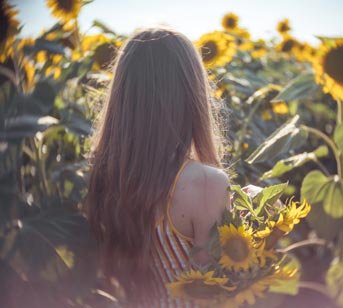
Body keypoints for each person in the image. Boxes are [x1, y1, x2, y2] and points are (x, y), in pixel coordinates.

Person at [83, 25, 232, 307]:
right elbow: (215, 295)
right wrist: (260, 233)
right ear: (192, 94)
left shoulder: (107, 177)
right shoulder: (207, 182)